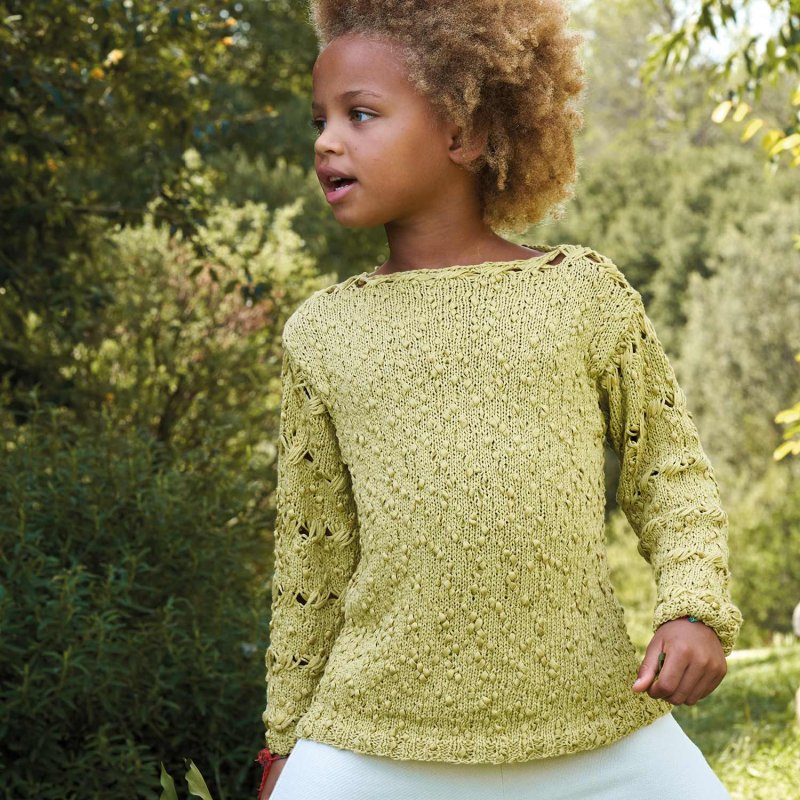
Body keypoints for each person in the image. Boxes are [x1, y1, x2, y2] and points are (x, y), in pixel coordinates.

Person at [257, 1, 744, 798]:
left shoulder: (582, 294)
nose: (326, 142)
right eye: (320, 121)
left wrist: (692, 607)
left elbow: (670, 475)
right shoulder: (321, 332)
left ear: (465, 132)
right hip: (372, 740)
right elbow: (313, 558)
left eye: (360, 114)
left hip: (596, 726)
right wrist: (283, 741)